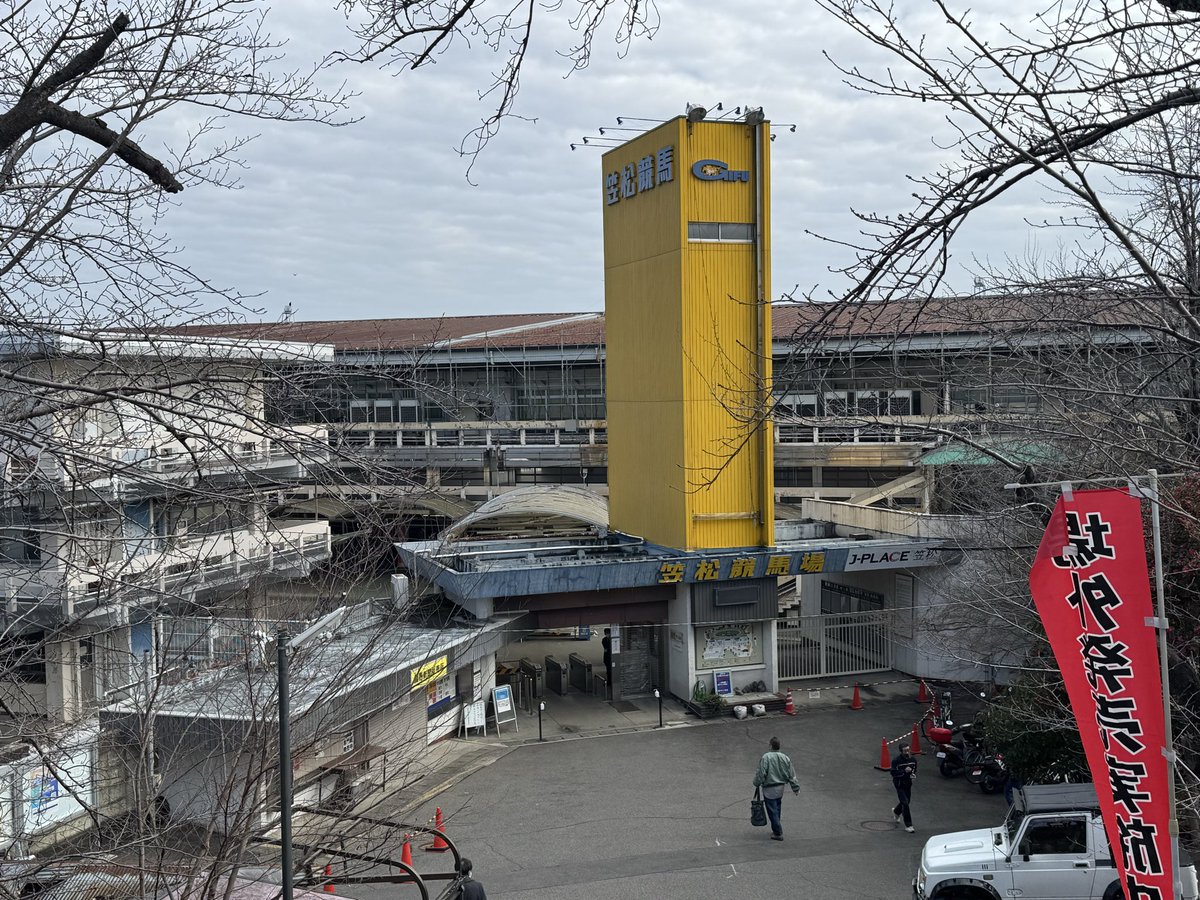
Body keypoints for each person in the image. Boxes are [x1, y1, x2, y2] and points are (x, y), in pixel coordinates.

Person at [752, 736, 800, 841]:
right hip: (780, 788)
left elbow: (761, 773)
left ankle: (778, 832)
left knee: (772, 810)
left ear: (770, 745)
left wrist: (756, 783)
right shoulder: (785, 758)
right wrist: (796, 788)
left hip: (769, 789)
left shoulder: (766, 757)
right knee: (777, 807)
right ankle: (776, 827)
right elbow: (791, 775)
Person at [891, 742, 918, 833]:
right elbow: (893, 773)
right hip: (899, 784)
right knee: (905, 803)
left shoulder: (913, 760)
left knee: (906, 801)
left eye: (908, 750)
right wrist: (904, 771)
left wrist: (912, 774)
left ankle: (896, 811)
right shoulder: (896, 761)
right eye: (905, 751)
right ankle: (909, 825)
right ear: (901, 751)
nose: (907, 752)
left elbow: (914, 770)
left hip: (908, 783)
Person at [601, 628, 613, 699]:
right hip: (607, 658)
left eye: (608, 633)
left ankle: (610, 682)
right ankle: (609, 682)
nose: (607, 635)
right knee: (608, 670)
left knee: (610, 670)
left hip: (610, 657)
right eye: (606, 633)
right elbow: (606, 648)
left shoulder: (612, 639)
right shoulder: (604, 640)